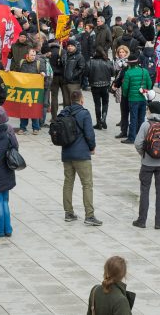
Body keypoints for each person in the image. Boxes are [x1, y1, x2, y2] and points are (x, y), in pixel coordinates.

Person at [59, 90, 102, 226]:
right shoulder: (84, 113)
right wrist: (92, 147)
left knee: (68, 183)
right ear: (81, 100)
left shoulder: (63, 113)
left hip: (66, 153)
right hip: (81, 154)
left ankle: (68, 213)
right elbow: (89, 134)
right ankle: (89, 215)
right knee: (87, 184)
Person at [133, 101, 160, 230]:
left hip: (147, 163)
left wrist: (144, 154)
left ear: (150, 111)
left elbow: (137, 144)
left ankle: (142, 220)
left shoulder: (146, 125)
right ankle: (159, 222)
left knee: (144, 191)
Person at [121, 55, 152, 143]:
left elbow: (125, 87)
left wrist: (126, 95)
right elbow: (149, 84)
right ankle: (140, 136)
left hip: (133, 98)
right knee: (141, 118)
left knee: (133, 118)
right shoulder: (144, 71)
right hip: (143, 98)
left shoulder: (128, 72)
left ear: (130, 64)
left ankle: (131, 137)